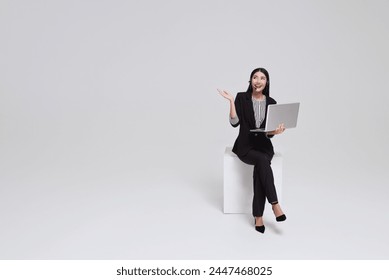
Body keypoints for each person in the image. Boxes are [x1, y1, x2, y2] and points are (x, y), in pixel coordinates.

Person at [218, 67, 286, 234]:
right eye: (255, 77)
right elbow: (235, 123)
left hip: (264, 147)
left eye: (262, 78)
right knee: (262, 162)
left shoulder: (271, 102)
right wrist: (231, 102)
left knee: (261, 167)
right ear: (251, 81)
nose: (258, 81)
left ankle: (258, 217)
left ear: (266, 82)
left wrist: (275, 132)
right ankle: (275, 204)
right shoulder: (242, 98)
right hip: (246, 147)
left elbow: (269, 132)